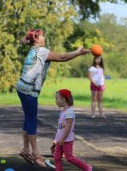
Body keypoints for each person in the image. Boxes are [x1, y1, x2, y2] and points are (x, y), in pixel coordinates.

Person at [16, 29, 90, 167]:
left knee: (28, 119)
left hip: (21, 87)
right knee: (32, 121)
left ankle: (26, 149)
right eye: (42, 35)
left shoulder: (33, 50)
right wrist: (78, 52)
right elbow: (62, 58)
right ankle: (36, 154)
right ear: (37, 39)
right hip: (29, 90)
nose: (44, 37)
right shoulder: (42, 51)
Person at [53, 89, 92, 171]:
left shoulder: (69, 112)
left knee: (69, 158)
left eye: (57, 98)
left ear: (63, 100)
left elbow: (68, 126)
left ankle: (87, 168)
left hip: (66, 140)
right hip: (60, 139)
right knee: (56, 157)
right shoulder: (63, 111)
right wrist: (57, 139)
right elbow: (61, 127)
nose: (55, 100)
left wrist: (62, 139)